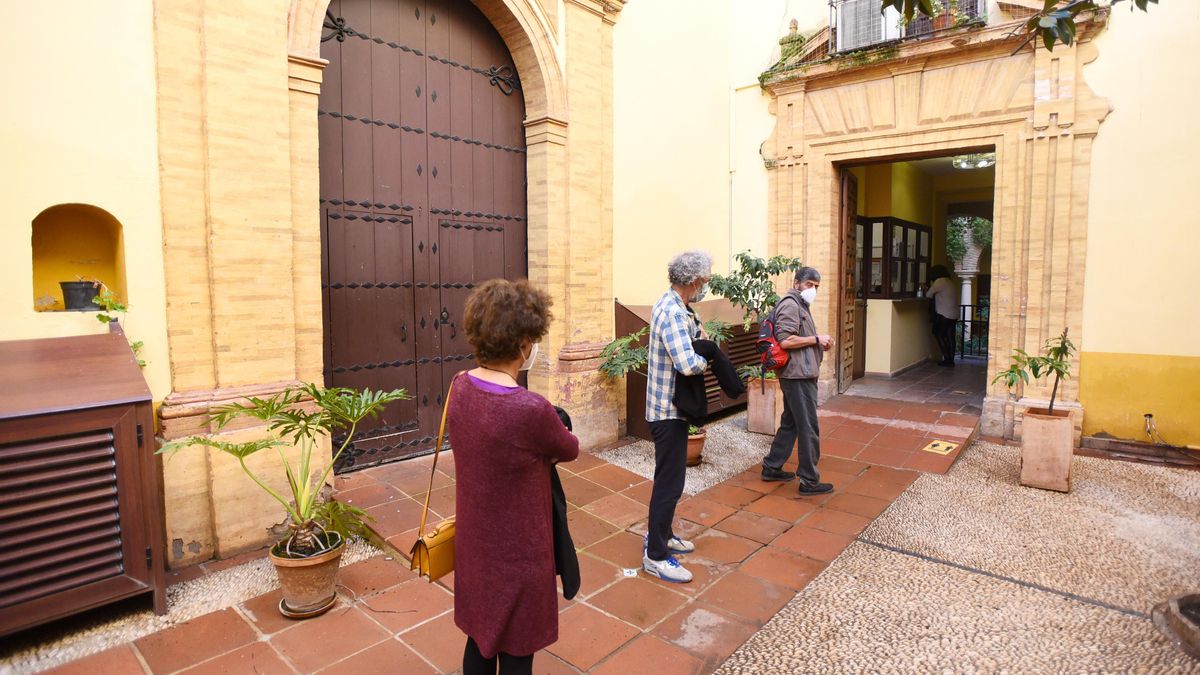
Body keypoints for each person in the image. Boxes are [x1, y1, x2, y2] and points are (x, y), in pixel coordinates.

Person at [450, 278, 579, 675]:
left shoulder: (459, 386)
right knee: (518, 651)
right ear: (524, 342)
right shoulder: (530, 409)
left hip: (475, 543)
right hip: (521, 552)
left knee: (480, 639)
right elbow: (569, 448)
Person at [643, 250, 713, 583]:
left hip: (673, 409)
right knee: (669, 484)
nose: (706, 287)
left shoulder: (679, 308)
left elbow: (691, 344)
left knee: (670, 481)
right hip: (667, 411)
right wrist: (707, 357)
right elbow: (687, 363)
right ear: (693, 280)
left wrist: (701, 342)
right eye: (706, 281)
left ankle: (663, 535)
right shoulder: (671, 312)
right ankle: (655, 555)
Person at [760, 267, 835, 495]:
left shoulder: (800, 304)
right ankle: (809, 480)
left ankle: (772, 467)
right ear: (797, 283)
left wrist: (818, 343)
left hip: (799, 374)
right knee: (808, 427)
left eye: (816, 286)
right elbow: (785, 340)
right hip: (798, 376)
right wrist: (816, 339)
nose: (813, 289)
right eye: (809, 284)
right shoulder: (791, 304)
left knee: (791, 422)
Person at [927, 265, 960, 367]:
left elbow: (928, 294)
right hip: (954, 313)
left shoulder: (939, 282)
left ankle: (947, 359)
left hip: (944, 314)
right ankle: (951, 359)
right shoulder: (950, 281)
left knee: (939, 334)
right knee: (950, 336)